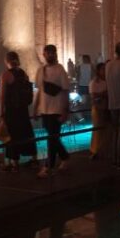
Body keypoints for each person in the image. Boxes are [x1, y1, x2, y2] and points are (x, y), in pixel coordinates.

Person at [35, 44, 70, 178]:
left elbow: (66, 90)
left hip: (57, 109)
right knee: (53, 137)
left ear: (55, 54)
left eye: (52, 53)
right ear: (44, 54)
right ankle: (65, 157)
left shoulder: (60, 70)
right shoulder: (41, 71)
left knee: (51, 138)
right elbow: (39, 91)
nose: (50, 55)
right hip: (45, 110)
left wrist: (65, 110)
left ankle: (48, 167)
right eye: (47, 53)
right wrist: (36, 108)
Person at [0, 51, 36, 171]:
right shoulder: (24, 74)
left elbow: (2, 96)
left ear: (7, 61)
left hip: (11, 110)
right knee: (26, 131)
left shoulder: (6, 75)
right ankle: (33, 157)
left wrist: (1, 111)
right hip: (23, 109)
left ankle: (14, 162)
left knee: (12, 134)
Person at [89, 62, 110, 160]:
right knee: (97, 130)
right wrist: (104, 94)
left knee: (106, 130)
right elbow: (93, 97)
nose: (105, 71)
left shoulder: (107, 81)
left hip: (106, 107)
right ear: (98, 71)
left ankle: (103, 149)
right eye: (103, 69)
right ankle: (95, 150)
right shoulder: (94, 82)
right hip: (98, 108)